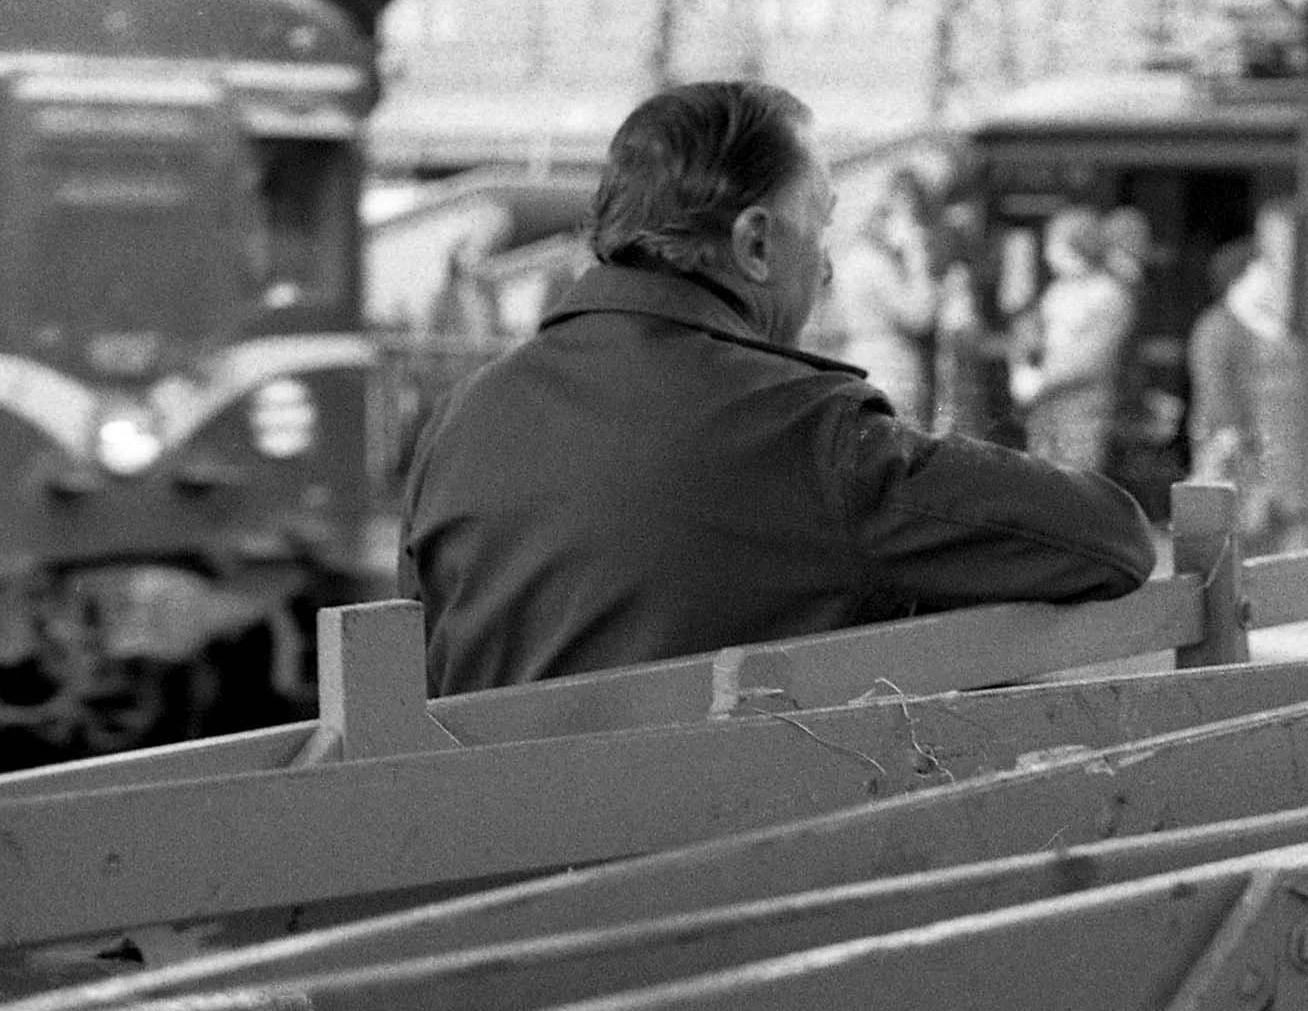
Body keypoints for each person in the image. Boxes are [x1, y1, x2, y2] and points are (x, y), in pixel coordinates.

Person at [401, 80, 1154, 695]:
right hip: (718, 868)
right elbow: (1110, 540)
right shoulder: (805, 435)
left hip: (476, 859)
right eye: (819, 231)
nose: (825, 271)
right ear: (756, 243)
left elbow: (416, 663)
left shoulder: (463, 418)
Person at [1186, 198, 1308, 554]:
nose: (1271, 277)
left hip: (1266, 462)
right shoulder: (1218, 327)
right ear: (1240, 278)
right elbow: (1213, 388)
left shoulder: (1264, 328)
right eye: (1261, 269)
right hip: (1240, 456)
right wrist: (1233, 433)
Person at [1015, 206, 1135, 472]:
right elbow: (1034, 339)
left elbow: (1092, 357)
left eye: (1052, 243)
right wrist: (1023, 367)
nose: (1047, 253)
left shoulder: (1108, 294)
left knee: (1077, 483)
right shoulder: (1057, 291)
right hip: (1045, 407)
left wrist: (1042, 380)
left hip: (1082, 409)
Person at [831, 171, 939, 427]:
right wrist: (916, 253)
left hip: (862, 361)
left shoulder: (851, 259)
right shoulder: (875, 262)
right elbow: (920, 315)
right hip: (891, 369)